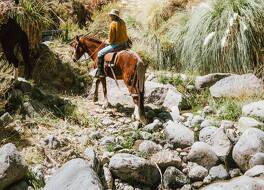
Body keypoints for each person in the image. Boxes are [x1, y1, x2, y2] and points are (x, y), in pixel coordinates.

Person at [95, 9, 129, 78]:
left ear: (113, 16)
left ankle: (100, 72)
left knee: (100, 53)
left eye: (111, 15)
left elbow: (111, 40)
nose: (110, 16)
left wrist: (106, 41)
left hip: (117, 45)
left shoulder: (113, 24)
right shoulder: (122, 22)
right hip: (125, 43)